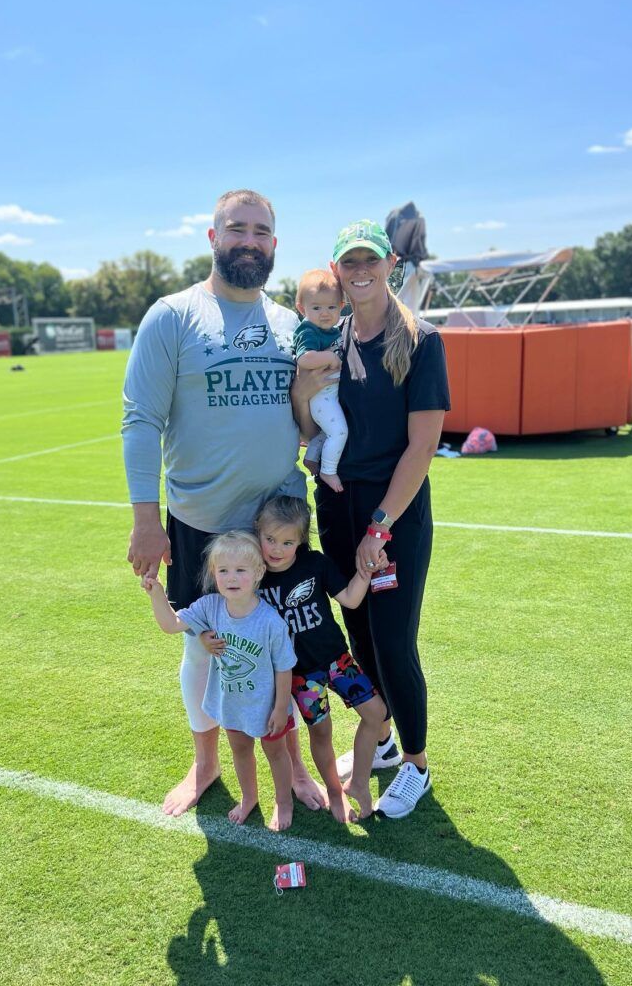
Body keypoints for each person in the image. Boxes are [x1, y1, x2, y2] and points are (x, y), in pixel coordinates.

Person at [122, 188, 328, 817]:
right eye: (236, 229)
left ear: (274, 246)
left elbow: (307, 420)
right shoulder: (172, 315)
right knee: (202, 646)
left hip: (278, 527)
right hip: (203, 526)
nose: (249, 240)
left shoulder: (292, 325)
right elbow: (139, 420)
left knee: (283, 647)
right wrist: (145, 520)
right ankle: (206, 761)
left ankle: (291, 765)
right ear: (213, 238)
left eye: (262, 232)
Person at [295, 218, 451, 819]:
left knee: (392, 640)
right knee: (357, 633)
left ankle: (414, 763)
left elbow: (421, 448)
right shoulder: (330, 340)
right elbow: (310, 429)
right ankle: (380, 743)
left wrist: (380, 527)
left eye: (370, 261)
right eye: (348, 263)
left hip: (393, 514)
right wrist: (302, 389)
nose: (360, 272)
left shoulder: (421, 340)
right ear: (336, 271)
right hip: (336, 505)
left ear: (391, 266)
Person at [143, 532, 297, 831]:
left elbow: (284, 668)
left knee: (276, 754)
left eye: (241, 570)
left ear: (258, 573)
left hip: (266, 707)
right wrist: (156, 593)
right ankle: (249, 797)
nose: (231, 577)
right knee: (240, 751)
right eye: (223, 570)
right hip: (232, 703)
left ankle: (283, 801)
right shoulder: (210, 606)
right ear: (214, 574)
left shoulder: (270, 622)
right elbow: (171, 625)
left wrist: (281, 708)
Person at [255, 496, 388, 821]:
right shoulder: (256, 576)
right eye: (270, 539)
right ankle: (333, 791)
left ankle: (357, 782)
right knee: (322, 732)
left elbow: (352, 599)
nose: (276, 548)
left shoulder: (315, 564)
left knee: (377, 713)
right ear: (257, 531)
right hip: (300, 676)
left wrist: (368, 570)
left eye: (287, 541)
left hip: (337, 661)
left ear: (300, 541)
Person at [292, 270, 347, 493]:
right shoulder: (308, 330)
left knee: (327, 432)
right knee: (339, 432)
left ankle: (312, 456)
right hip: (321, 397)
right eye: (316, 308)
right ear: (302, 308)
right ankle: (328, 470)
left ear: (341, 306)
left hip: (329, 394)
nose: (325, 313)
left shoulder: (332, 330)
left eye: (331, 307)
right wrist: (331, 357)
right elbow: (304, 358)